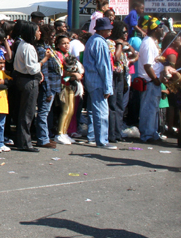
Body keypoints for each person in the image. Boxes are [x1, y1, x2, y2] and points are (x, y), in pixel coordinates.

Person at [12, 20, 52, 152]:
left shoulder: (23, 45)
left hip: (23, 79)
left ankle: (22, 140)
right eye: (37, 30)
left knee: (24, 112)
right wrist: (43, 61)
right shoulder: (28, 47)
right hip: (28, 81)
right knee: (27, 113)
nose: (40, 33)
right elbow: (32, 68)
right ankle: (25, 142)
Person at [83, 17, 116, 149]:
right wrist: (108, 87)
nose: (110, 32)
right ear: (103, 30)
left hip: (92, 81)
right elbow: (104, 66)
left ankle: (94, 137)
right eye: (108, 29)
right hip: (98, 82)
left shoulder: (92, 40)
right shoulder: (100, 43)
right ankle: (102, 140)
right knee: (101, 113)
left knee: (94, 111)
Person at [136, 16, 166, 143]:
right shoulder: (148, 43)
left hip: (154, 81)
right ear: (155, 29)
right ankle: (147, 135)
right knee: (148, 109)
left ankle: (152, 133)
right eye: (160, 27)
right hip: (150, 81)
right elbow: (147, 65)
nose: (162, 29)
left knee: (153, 109)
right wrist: (155, 79)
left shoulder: (153, 42)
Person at [51, 34, 80, 145]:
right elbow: (60, 71)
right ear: (58, 45)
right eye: (63, 43)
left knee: (71, 110)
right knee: (66, 109)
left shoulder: (69, 55)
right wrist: (73, 73)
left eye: (68, 43)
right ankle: (60, 133)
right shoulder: (58, 55)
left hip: (71, 84)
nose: (66, 45)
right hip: (63, 84)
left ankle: (65, 132)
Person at [106, 20, 130, 143]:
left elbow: (131, 56)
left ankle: (118, 132)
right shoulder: (111, 43)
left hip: (121, 76)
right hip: (113, 76)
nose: (126, 34)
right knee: (113, 105)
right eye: (124, 32)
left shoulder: (123, 43)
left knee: (120, 105)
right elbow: (115, 57)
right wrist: (119, 45)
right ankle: (112, 134)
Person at [36, 24, 59, 149]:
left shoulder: (49, 47)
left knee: (47, 112)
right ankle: (42, 138)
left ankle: (46, 136)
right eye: (51, 36)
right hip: (48, 86)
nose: (54, 38)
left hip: (54, 84)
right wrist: (48, 91)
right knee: (43, 112)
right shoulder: (42, 50)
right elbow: (44, 72)